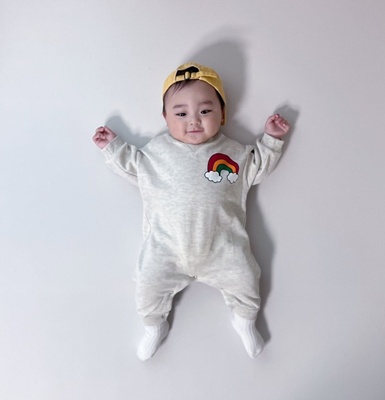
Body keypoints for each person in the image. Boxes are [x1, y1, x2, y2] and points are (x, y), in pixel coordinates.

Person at [93, 62, 289, 361]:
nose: (194, 121)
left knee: (247, 278)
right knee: (147, 286)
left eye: (205, 111)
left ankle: (245, 321)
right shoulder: (156, 153)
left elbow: (258, 165)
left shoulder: (234, 153)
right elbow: (133, 165)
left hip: (223, 248)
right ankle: (154, 326)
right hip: (166, 250)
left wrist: (272, 139)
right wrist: (112, 147)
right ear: (165, 117)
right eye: (181, 114)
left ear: (222, 114)